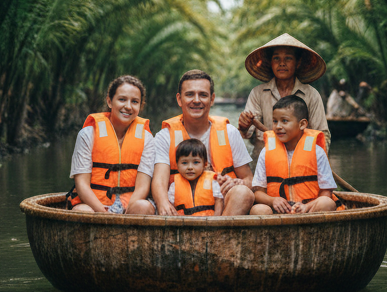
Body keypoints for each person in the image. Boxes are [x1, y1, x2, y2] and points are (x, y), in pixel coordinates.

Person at [148, 69, 255, 216]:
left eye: (203, 95)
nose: (196, 100)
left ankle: (216, 235)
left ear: (212, 99)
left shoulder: (230, 132)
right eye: (190, 94)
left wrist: (239, 183)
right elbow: (159, 180)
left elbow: (249, 178)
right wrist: (163, 203)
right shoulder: (164, 136)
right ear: (179, 99)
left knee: (243, 193)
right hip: (181, 209)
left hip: (222, 209)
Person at [67, 75, 156, 215]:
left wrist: (126, 215)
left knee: (143, 206)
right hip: (95, 204)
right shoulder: (87, 134)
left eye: (134, 101)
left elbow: (143, 186)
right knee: (82, 211)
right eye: (122, 99)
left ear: (140, 106)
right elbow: (81, 184)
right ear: (109, 101)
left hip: (130, 205)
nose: (128, 106)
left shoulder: (147, 138)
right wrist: (103, 213)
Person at [238, 33, 330, 156]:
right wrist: (244, 125)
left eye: (288, 58)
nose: (282, 63)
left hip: (301, 159)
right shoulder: (258, 93)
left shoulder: (311, 95)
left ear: (297, 63)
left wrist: (313, 159)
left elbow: (323, 135)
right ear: (270, 62)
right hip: (266, 160)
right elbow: (246, 134)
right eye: (276, 58)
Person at [250, 95, 337, 215]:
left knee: (327, 202)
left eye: (284, 121)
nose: (278, 126)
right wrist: (272, 200)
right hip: (278, 210)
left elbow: (327, 191)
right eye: (275, 121)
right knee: (258, 209)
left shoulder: (317, 152)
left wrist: (306, 207)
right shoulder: (266, 152)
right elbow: (258, 192)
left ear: (302, 124)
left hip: (307, 210)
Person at [168, 138, 224, 216]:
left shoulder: (212, 181)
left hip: (209, 224)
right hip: (183, 225)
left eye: (195, 162)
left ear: (205, 164)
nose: (190, 167)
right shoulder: (174, 186)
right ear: (177, 165)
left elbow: (219, 201)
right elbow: (171, 207)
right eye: (184, 163)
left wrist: (215, 221)